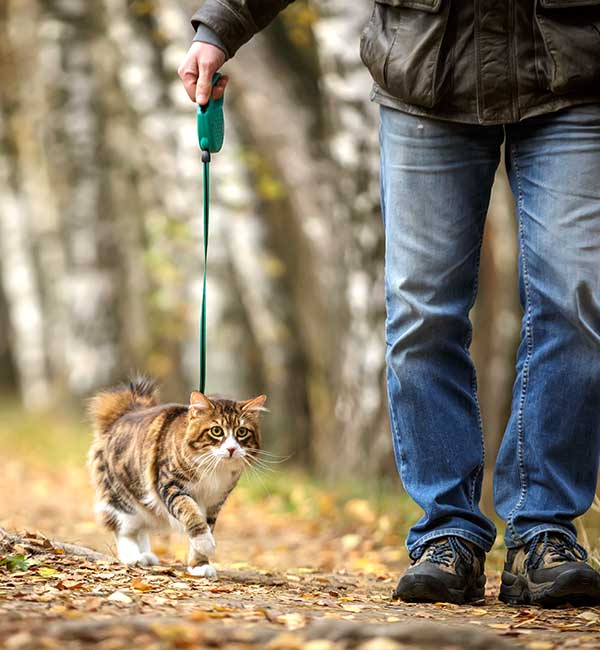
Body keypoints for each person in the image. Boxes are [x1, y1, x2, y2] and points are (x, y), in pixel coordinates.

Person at [178, 0, 600, 606]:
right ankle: (447, 532)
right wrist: (221, 27)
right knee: (421, 314)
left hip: (574, 67)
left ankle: (546, 532)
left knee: (578, 304)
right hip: (426, 71)